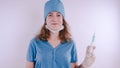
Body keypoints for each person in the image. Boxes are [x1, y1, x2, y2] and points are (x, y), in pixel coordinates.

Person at [26, 0, 96, 68]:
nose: (54, 19)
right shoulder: (35, 43)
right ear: (45, 19)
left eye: (58, 15)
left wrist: (85, 64)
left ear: (63, 19)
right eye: (50, 15)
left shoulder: (70, 44)